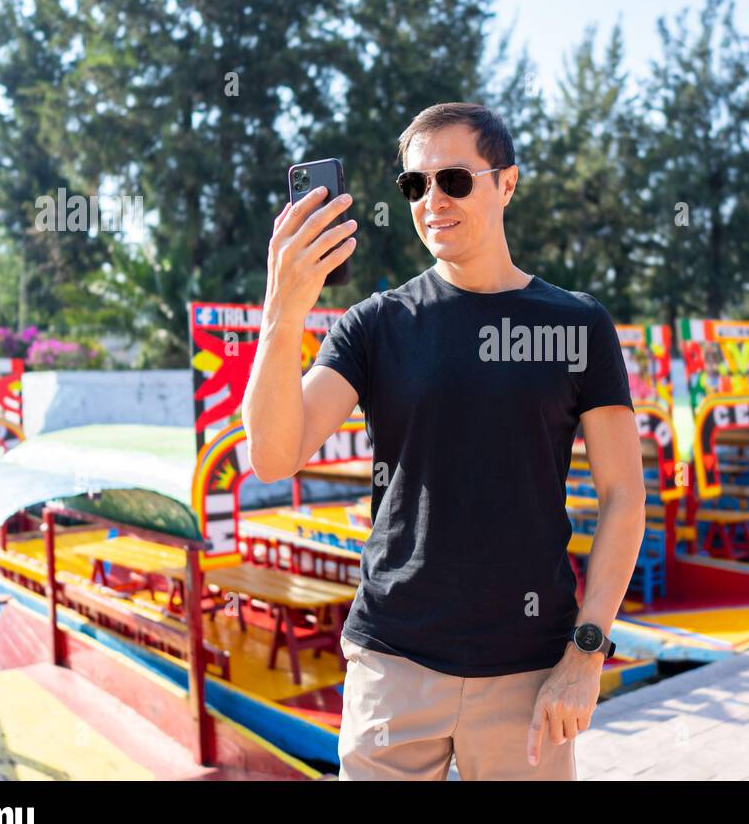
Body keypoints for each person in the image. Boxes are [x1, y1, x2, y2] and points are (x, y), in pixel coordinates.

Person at [243, 102, 646, 780]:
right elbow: (274, 455)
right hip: (393, 666)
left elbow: (623, 496)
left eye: (454, 179)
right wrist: (283, 307)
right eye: (414, 185)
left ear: (507, 184)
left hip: (530, 673)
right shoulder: (376, 325)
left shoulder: (578, 325)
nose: (433, 200)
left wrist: (585, 655)